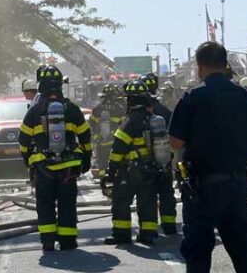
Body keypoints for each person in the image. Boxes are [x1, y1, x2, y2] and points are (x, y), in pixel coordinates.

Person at [168, 41, 247, 273]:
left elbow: (174, 142)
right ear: (225, 65)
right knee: (245, 255)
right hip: (237, 186)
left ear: (200, 67)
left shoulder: (192, 97)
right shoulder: (243, 95)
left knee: (198, 256)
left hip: (202, 188)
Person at [19, 64, 92, 251]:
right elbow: (85, 136)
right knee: (67, 203)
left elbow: (24, 140)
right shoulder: (72, 109)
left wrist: (28, 159)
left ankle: (48, 240)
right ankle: (68, 241)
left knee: (45, 203)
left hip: (43, 167)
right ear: (61, 84)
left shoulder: (34, 111)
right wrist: (87, 158)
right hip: (69, 167)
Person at [102, 80, 163, 246]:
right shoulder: (153, 119)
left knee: (121, 201)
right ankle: (148, 234)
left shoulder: (129, 120)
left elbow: (119, 148)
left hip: (130, 170)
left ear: (130, 100)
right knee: (148, 202)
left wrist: (111, 170)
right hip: (151, 169)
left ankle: (122, 235)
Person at [143, 72, 180, 235]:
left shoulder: (139, 113)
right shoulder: (164, 110)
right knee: (166, 192)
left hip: (146, 161)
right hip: (165, 158)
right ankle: (170, 225)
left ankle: (150, 228)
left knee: (148, 193)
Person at [89, 84, 124, 179]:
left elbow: (91, 125)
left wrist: (96, 136)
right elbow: (124, 125)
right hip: (115, 140)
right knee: (115, 159)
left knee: (102, 160)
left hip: (100, 141)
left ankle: (102, 177)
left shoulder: (97, 109)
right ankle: (115, 176)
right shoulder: (120, 109)